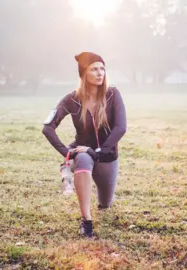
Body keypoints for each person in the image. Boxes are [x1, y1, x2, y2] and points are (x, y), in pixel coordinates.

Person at [42, 52, 127, 238]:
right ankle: (86, 221)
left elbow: (121, 128)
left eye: (102, 68)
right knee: (82, 156)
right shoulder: (71, 99)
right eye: (94, 69)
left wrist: (98, 151)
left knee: (105, 204)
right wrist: (67, 153)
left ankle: (68, 172)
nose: (100, 73)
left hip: (107, 157)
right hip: (82, 152)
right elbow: (47, 128)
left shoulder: (113, 94)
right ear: (83, 74)